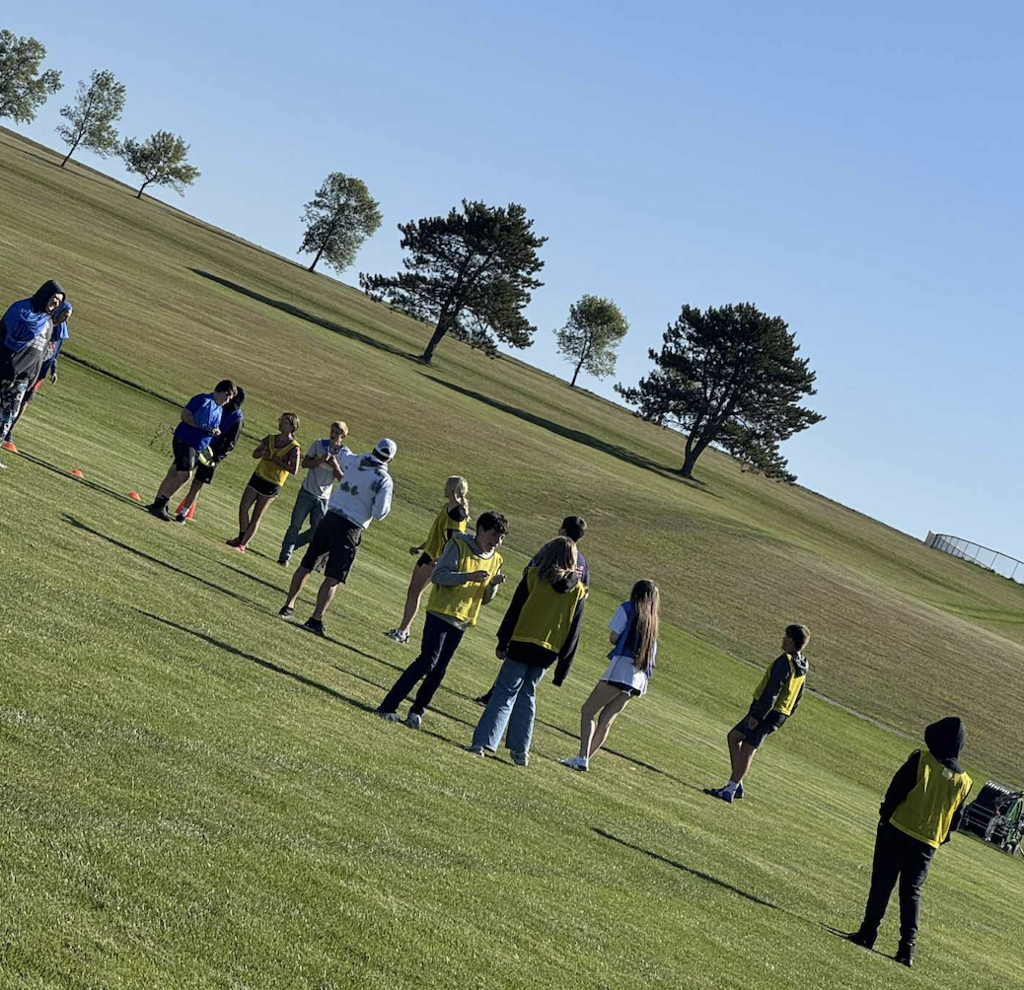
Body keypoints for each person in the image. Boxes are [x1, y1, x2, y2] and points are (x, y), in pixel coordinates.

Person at [844, 717, 973, 968]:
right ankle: (907, 948)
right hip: (928, 842)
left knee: (882, 884)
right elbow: (955, 818)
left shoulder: (921, 759)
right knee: (911, 893)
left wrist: (885, 815)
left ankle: (868, 932)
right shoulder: (964, 782)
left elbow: (897, 789)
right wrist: (942, 837)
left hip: (899, 828)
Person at [376, 511, 508, 728]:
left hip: (462, 620)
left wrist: (492, 585)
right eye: (494, 535)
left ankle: (416, 712)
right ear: (480, 530)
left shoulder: (496, 560)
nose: (497, 542)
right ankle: (387, 707)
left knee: (439, 670)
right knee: (427, 662)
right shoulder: (458, 545)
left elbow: (485, 599)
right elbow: (438, 576)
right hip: (440, 612)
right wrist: (468, 577)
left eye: (501, 538)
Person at [468, 536, 588, 766]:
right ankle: (520, 751)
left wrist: (503, 640)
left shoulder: (533, 576)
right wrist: (562, 669)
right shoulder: (578, 591)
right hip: (548, 650)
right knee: (527, 694)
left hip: (522, 641)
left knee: (505, 692)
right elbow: (574, 633)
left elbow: (515, 610)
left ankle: (483, 742)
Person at [279, 439, 396, 636]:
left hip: (330, 517)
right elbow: (380, 513)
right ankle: (315, 618)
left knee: (307, 564)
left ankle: (288, 605)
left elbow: (342, 455)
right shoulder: (384, 479)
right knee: (333, 577)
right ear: (390, 459)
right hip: (351, 527)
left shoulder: (356, 460)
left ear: (374, 449)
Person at [474, 514, 588, 705]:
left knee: (511, 674)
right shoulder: (582, 563)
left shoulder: (551, 549)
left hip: (531, 622)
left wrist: (504, 638)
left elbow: (530, 573)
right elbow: (583, 594)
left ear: (563, 530)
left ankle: (493, 697)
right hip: (552, 634)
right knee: (529, 687)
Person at [561, 580, 660, 772]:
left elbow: (613, 637)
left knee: (588, 711)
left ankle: (582, 757)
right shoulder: (653, 619)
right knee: (606, 720)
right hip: (640, 677)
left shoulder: (628, 608)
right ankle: (583, 759)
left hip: (622, 668)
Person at [704, 624, 810, 803]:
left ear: (792, 640)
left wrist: (757, 716)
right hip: (778, 713)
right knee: (733, 737)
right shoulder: (803, 664)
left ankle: (729, 791)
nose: (783, 639)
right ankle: (737, 785)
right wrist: (786, 714)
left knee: (748, 747)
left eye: (786, 636)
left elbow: (772, 691)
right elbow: (799, 695)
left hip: (767, 712)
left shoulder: (785, 661)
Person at [384, 476, 471, 644]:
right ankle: (404, 630)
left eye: (447, 486)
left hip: (435, 559)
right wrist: (421, 547)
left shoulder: (457, 514)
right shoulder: (447, 507)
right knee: (412, 591)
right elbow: (437, 533)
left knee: (416, 592)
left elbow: (454, 541)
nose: (444, 488)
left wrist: (441, 560)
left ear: (453, 490)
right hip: (428, 554)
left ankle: (403, 632)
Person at [147, 380, 235, 519]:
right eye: (228, 397)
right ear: (224, 392)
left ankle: (158, 501)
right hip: (185, 440)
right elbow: (185, 416)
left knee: (174, 471)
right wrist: (202, 427)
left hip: (198, 446)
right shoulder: (203, 399)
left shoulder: (219, 409)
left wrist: (215, 430)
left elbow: (211, 425)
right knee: (185, 475)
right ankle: (161, 503)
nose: (228, 401)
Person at [0, 280, 66, 466]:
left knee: (8, 417)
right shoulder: (20, 310)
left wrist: (32, 377)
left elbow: (40, 353)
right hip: (4, 370)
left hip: (22, 379)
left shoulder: (48, 323)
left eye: (59, 301)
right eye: (54, 298)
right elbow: (3, 335)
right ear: (45, 295)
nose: (55, 303)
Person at [278, 421, 351, 566]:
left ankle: (293, 544)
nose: (333, 435)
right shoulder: (319, 444)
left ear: (343, 436)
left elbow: (342, 479)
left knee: (317, 531)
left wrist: (334, 465)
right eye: (332, 431)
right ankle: (284, 556)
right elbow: (305, 464)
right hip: (307, 491)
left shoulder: (344, 454)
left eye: (337, 433)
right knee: (295, 525)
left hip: (323, 498)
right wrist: (319, 460)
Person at [226, 412, 301, 552]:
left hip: (273, 483)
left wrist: (277, 461)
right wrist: (262, 454)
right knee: (243, 508)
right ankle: (242, 537)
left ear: (292, 427)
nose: (280, 423)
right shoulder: (270, 439)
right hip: (258, 476)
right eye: (280, 420)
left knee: (257, 516)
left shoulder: (294, 448)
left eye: (284, 422)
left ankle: (243, 544)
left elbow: (294, 470)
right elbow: (255, 453)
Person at [5, 299, 72, 450]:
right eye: (65, 314)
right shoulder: (45, 323)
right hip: (28, 367)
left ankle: (9, 431)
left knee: (25, 401)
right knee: (12, 395)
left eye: (68, 316)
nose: (66, 319)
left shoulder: (61, 331)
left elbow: (55, 351)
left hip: (40, 372)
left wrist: (53, 369)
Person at [174, 387, 246, 522]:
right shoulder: (217, 405)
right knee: (181, 471)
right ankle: (165, 499)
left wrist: (216, 459)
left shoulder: (237, 419)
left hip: (211, 454)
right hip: (198, 443)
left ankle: (183, 513)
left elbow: (230, 443)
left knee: (197, 483)